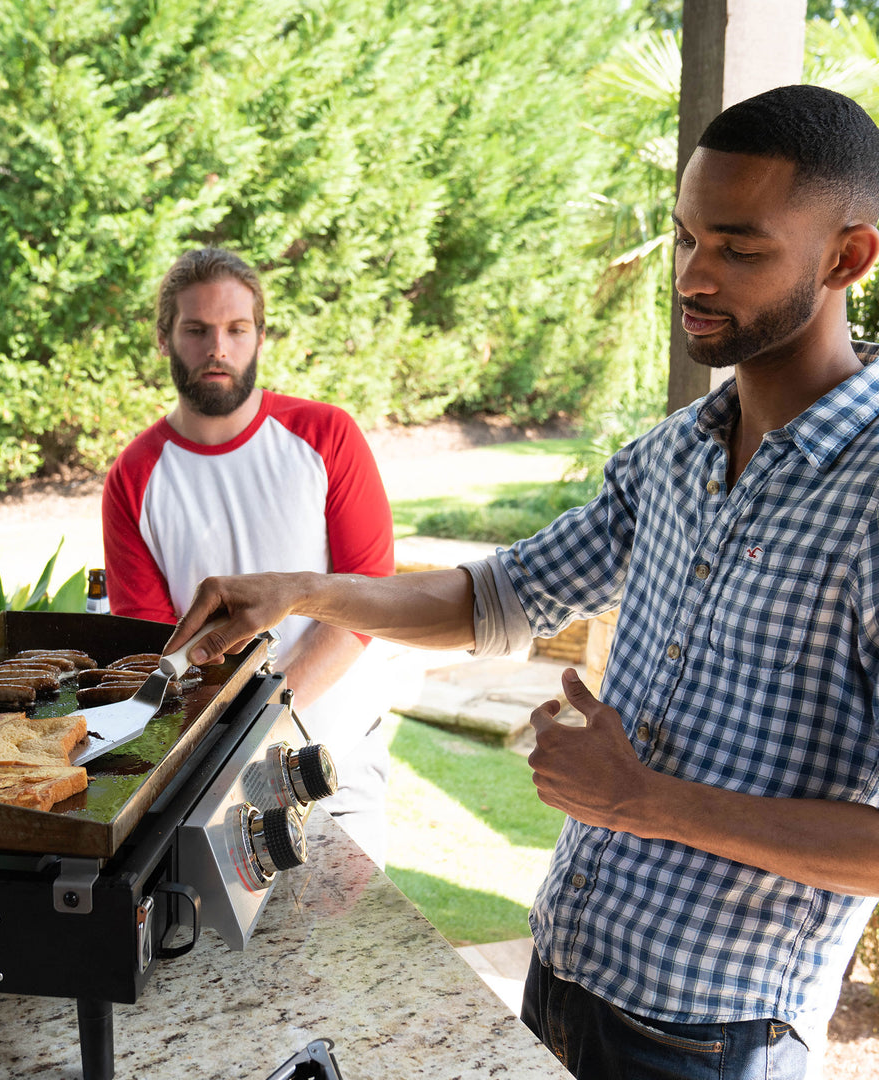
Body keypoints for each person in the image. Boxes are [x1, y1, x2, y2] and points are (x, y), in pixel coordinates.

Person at [164, 85, 879, 1079]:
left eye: (739, 248)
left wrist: (643, 800)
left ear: (848, 256)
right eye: (683, 239)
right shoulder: (675, 455)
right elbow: (493, 598)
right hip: (562, 981)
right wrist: (303, 590)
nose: (693, 275)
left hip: (714, 1043)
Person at [102, 247, 395, 866]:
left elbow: (367, 601)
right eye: (197, 330)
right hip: (217, 789)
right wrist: (230, 751)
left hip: (337, 763)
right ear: (164, 339)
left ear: (259, 336)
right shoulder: (133, 477)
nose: (218, 348)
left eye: (236, 329)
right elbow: (158, 644)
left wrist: (269, 722)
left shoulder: (327, 436)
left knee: (347, 956)